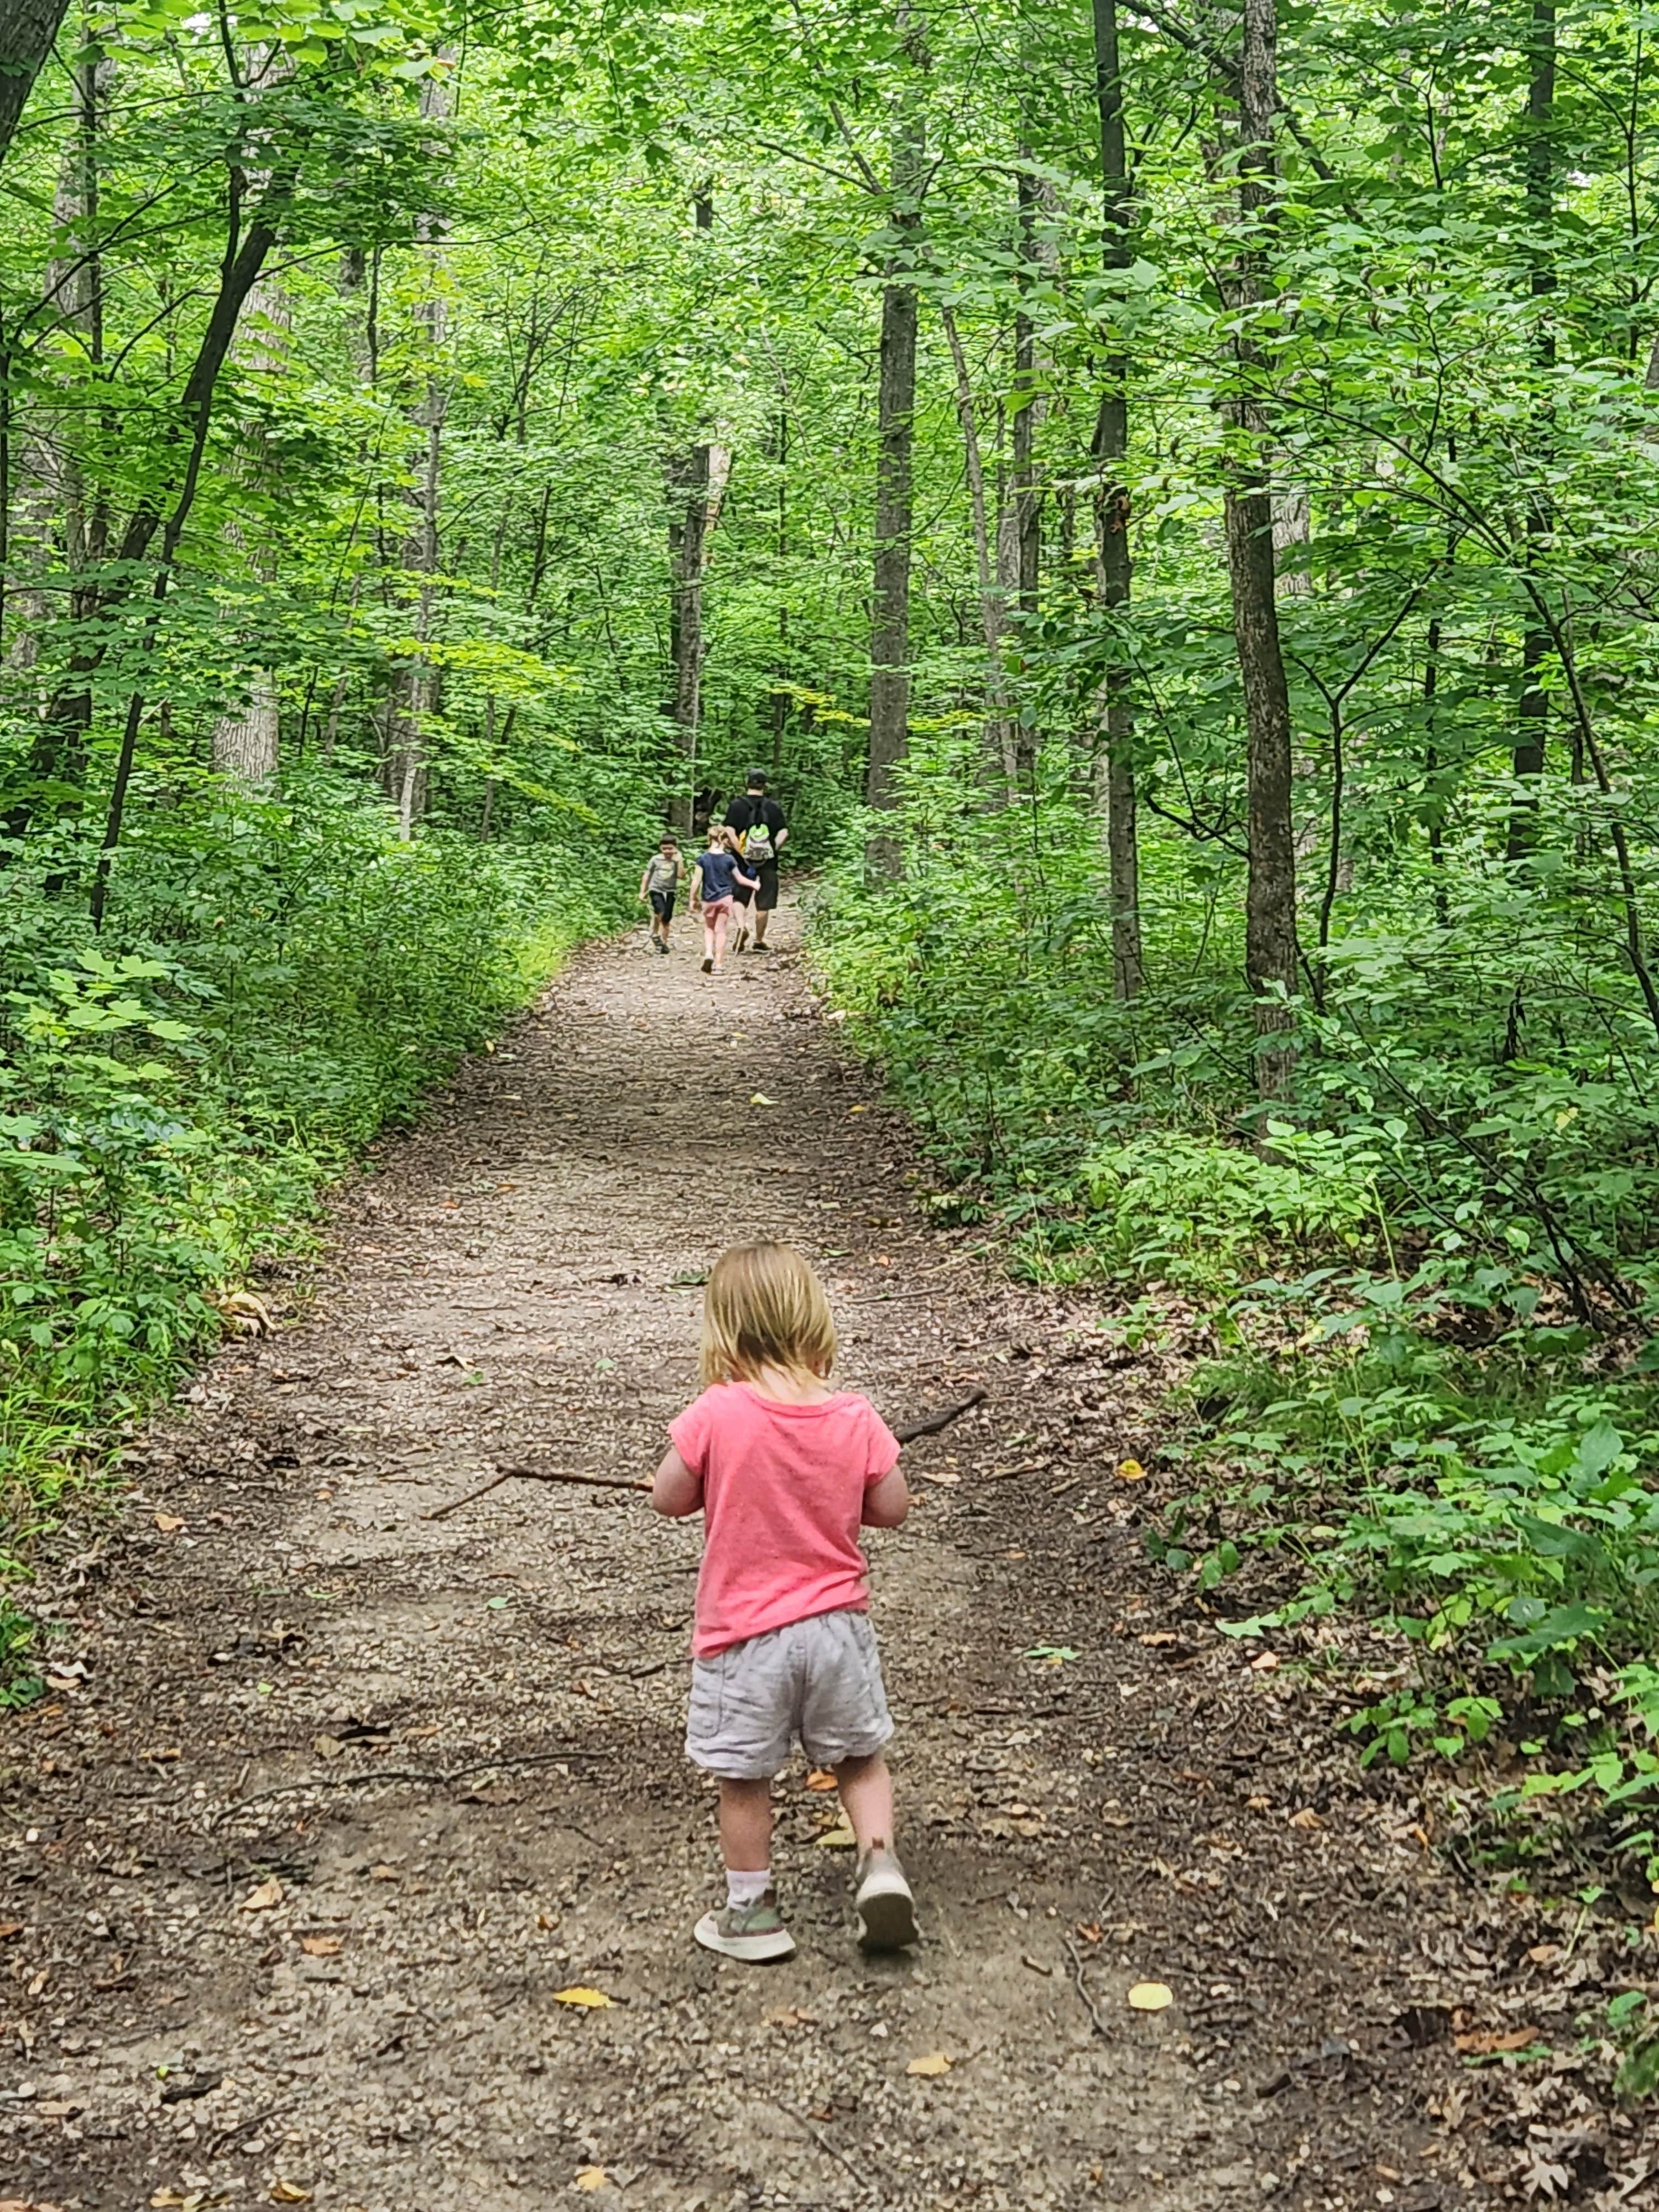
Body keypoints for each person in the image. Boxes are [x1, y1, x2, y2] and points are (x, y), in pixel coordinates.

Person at [651, 1241, 917, 1963]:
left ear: (725, 1331)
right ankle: (880, 1863)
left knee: (744, 1776)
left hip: (745, 1639)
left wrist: (716, 1478)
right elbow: (892, 1507)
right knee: (860, 1759)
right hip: (836, 1630)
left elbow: (666, 1498)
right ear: (812, 1319)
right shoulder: (852, 1416)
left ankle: (751, 1913)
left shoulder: (717, 1413)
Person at [724, 771, 788, 953]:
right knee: (764, 902)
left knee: (739, 897)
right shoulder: (773, 807)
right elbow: (784, 833)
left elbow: (730, 831)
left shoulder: (737, 805)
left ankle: (741, 927)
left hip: (741, 862)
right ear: (764, 786)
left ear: (747, 784)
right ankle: (759, 941)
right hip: (768, 863)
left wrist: (741, 852)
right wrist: (773, 849)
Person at [689, 827, 757, 976]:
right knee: (721, 931)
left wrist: (692, 898)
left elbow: (696, 881)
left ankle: (708, 953)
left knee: (709, 928)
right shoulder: (729, 859)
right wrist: (754, 884)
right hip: (725, 898)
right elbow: (739, 879)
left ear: (709, 839)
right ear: (725, 840)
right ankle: (719, 965)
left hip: (708, 899)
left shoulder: (703, 859)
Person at [639, 833, 685, 955]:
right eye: (665, 849)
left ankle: (663, 943)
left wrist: (678, 861)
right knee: (660, 912)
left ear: (675, 848)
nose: (668, 851)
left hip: (670, 891)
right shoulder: (656, 859)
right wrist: (642, 891)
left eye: (670, 848)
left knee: (667, 919)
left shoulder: (677, 860)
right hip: (656, 889)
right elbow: (647, 875)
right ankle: (654, 932)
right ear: (661, 849)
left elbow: (681, 876)